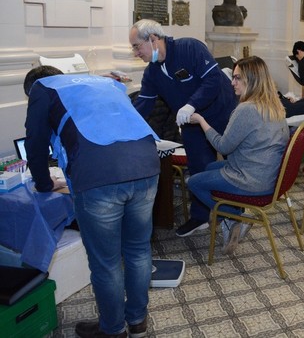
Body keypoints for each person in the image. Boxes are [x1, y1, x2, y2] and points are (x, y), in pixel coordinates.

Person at [23, 66, 160, 338]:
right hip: (146, 166)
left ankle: (113, 329)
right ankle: (137, 321)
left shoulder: (42, 88)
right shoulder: (98, 82)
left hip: (99, 177)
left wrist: (43, 183)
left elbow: (35, 142)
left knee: (106, 262)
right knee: (138, 250)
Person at [129, 19, 238, 237]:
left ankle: (236, 215)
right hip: (191, 124)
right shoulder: (152, 72)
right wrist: (122, 124)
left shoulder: (190, 48)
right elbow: (143, 104)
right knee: (198, 169)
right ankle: (201, 216)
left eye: (136, 46)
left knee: (234, 165)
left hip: (222, 114)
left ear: (153, 39)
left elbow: (213, 80)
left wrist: (191, 105)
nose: (135, 53)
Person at [186, 56, 289, 255]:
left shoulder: (247, 109)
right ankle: (233, 218)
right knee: (210, 167)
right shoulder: (274, 105)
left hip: (251, 180)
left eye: (237, 78)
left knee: (194, 182)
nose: (232, 83)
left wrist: (201, 120)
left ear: (252, 79)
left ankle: (234, 218)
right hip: (269, 176)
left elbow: (223, 147)